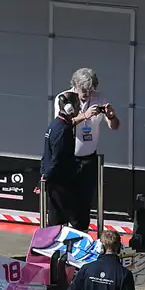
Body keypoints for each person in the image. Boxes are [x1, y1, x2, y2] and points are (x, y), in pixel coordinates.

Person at [53, 68, 121, 232]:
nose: (88, 94)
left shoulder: (100, 98)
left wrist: (111, 116)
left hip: (88, 158)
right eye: (84, 91)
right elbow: (62, 126)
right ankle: (58, 236)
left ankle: (81, 235)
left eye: (91, 91)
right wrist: (85, 115)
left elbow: (115, 127)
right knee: (63, 201)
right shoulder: (64, 98)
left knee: (84, 203)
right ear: (75, 86)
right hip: (68, 158)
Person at [41, 90, 81, 227]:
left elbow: (47, 154)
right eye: (77, 105)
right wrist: (47, 176)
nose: (80, 108)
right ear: (70, 108)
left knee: (55, 217)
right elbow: (58, 158)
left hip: (54, 179)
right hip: (61, 181)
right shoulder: (64, 129)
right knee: (63, 218)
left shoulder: (54, 124)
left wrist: (45, 174)